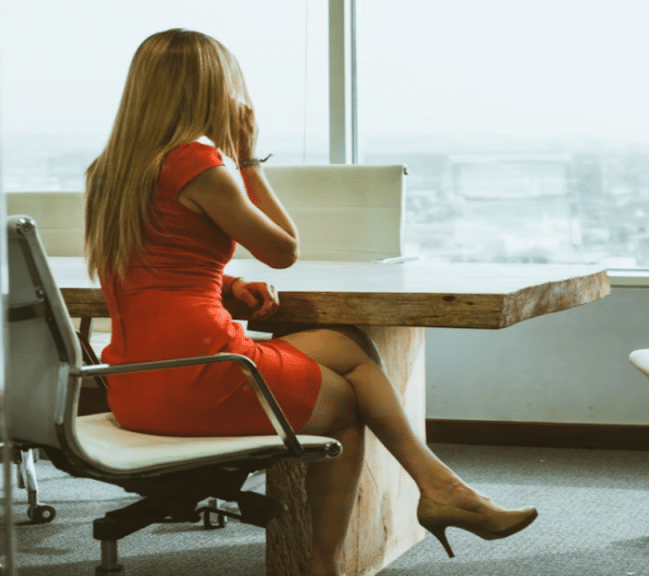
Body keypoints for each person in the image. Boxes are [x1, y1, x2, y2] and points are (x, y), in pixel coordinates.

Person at [83, 28, 536, 576]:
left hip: (134, 382)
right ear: (210, 88)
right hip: (202, 373)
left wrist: (223, 286)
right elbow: (282, 250)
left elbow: (141, 266)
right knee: (346, 408)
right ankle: (326, 565)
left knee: (350, 347)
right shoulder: (196, 163)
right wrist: (248, 157)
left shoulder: (108, 171)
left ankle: (441, 487)